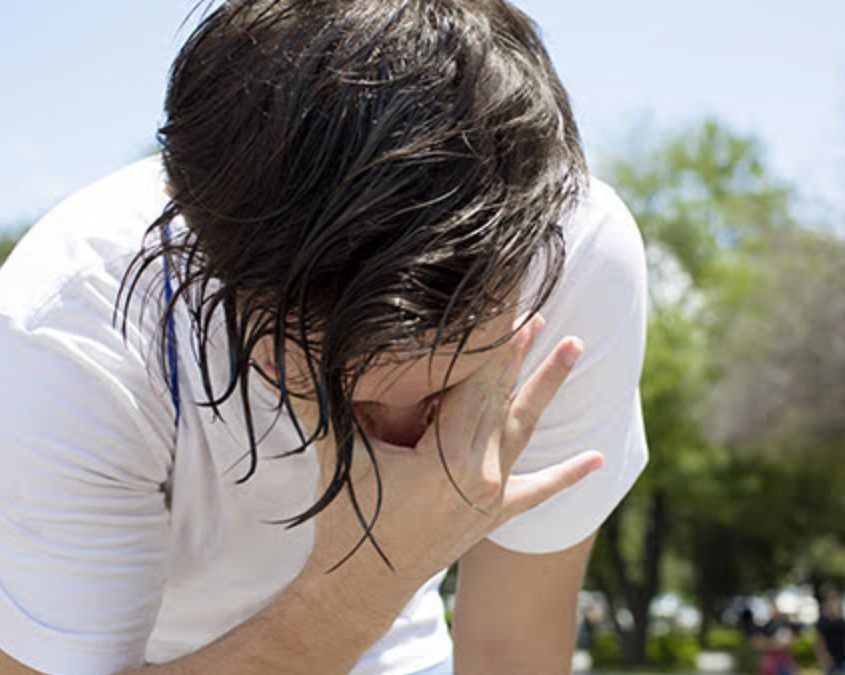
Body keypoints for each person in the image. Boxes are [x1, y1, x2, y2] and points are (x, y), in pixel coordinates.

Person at [0, 1, 649, 673]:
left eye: (446, 388)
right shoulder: (70, 329)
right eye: (340, 392)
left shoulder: (577, 263)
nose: (407, 448)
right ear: (209, 270)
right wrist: (359, 590)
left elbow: (509, 649)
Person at [816, 592, 845, 675]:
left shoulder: (842, 622)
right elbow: (820, 641)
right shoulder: (823, 621)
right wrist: (825, 658)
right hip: (831, 660)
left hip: (844, 658)